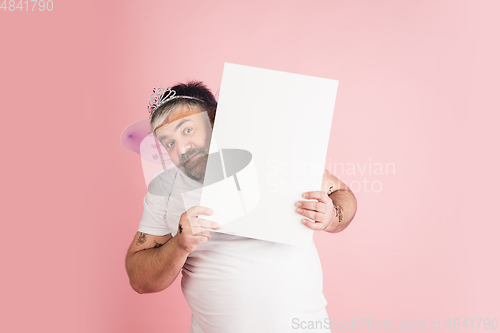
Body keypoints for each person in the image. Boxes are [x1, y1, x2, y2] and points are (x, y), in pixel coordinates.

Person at [125, 81, 357, 333]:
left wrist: (332, 216)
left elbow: (343, 194)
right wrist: (179, 244)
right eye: (169, 143)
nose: (181, 148)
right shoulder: (164, 190)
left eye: (188, 129)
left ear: (215, 118)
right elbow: (140, 279)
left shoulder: (275, 157)